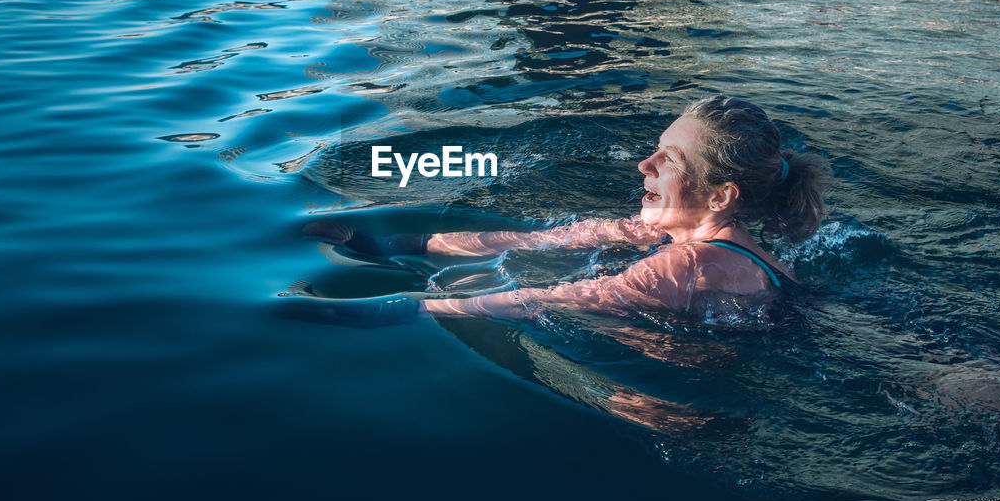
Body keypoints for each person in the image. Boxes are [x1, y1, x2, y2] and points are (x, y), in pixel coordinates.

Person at [293, 96, 831, 330]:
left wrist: (403, 311)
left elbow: (543, 300)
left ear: (720, 197)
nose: (644, 164)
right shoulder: (702, 240)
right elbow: (536, 242)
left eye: (667, 161)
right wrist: (400, 244)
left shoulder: (686, 265)